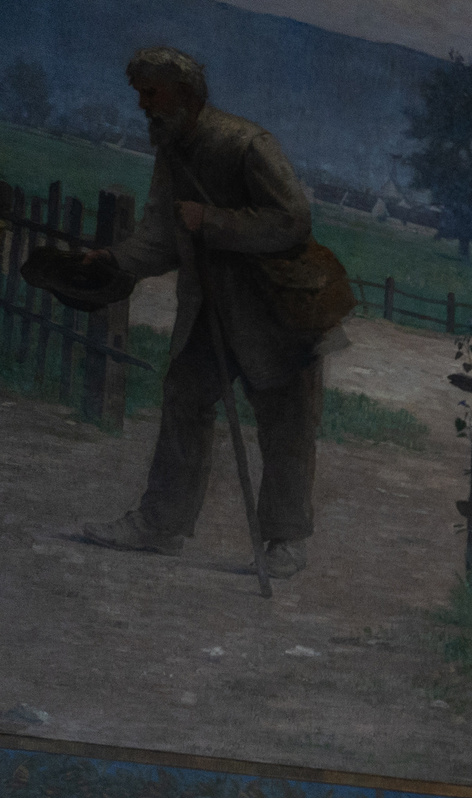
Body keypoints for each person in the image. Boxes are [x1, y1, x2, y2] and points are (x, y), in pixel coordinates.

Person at [79, 47, 323, 576]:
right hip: (208, 306)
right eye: (140, 95)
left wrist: (211, 220)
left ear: (185, 94)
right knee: (185, 398)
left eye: (151, 94)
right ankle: (161, 524)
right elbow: (162, 235)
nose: (143, 106)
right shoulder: (171, 149)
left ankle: (285, 541)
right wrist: (116, 260)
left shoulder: (247, 144)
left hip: (276, 311)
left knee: (285, 420)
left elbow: (292, 221)